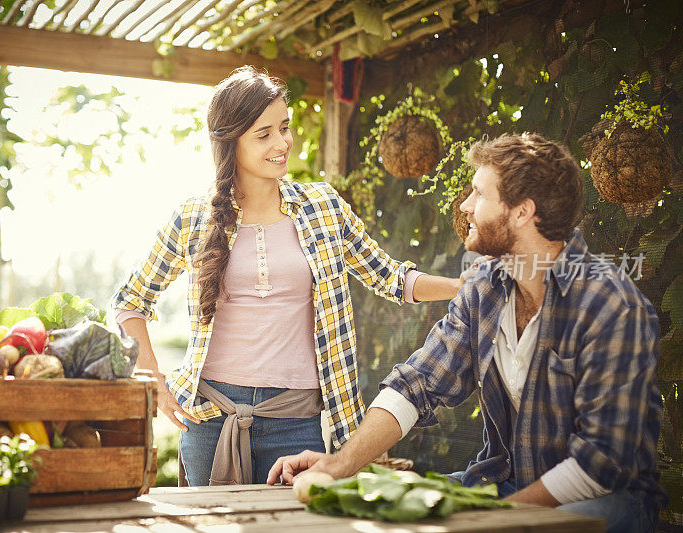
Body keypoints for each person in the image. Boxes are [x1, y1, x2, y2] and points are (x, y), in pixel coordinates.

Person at [267, 133, 667, 531]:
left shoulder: (611, 305)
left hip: (604, 499)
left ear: (522, 212)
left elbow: (602, 463)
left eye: (479, 194)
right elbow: (417, 385)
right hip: (503, 486)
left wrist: (493, 518)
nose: (465, 206)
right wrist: (337, 467)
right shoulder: (485, 288)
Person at [112, 66, 469, 487]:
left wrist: (463, 288)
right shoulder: (194, 217)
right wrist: (154, 380)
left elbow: (391, 278)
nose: (282, 143)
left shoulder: (323, 206)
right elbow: (131, 300)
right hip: (209, 420)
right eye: (264, 135)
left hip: (295, 424)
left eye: (284, 128)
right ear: (230, 142)